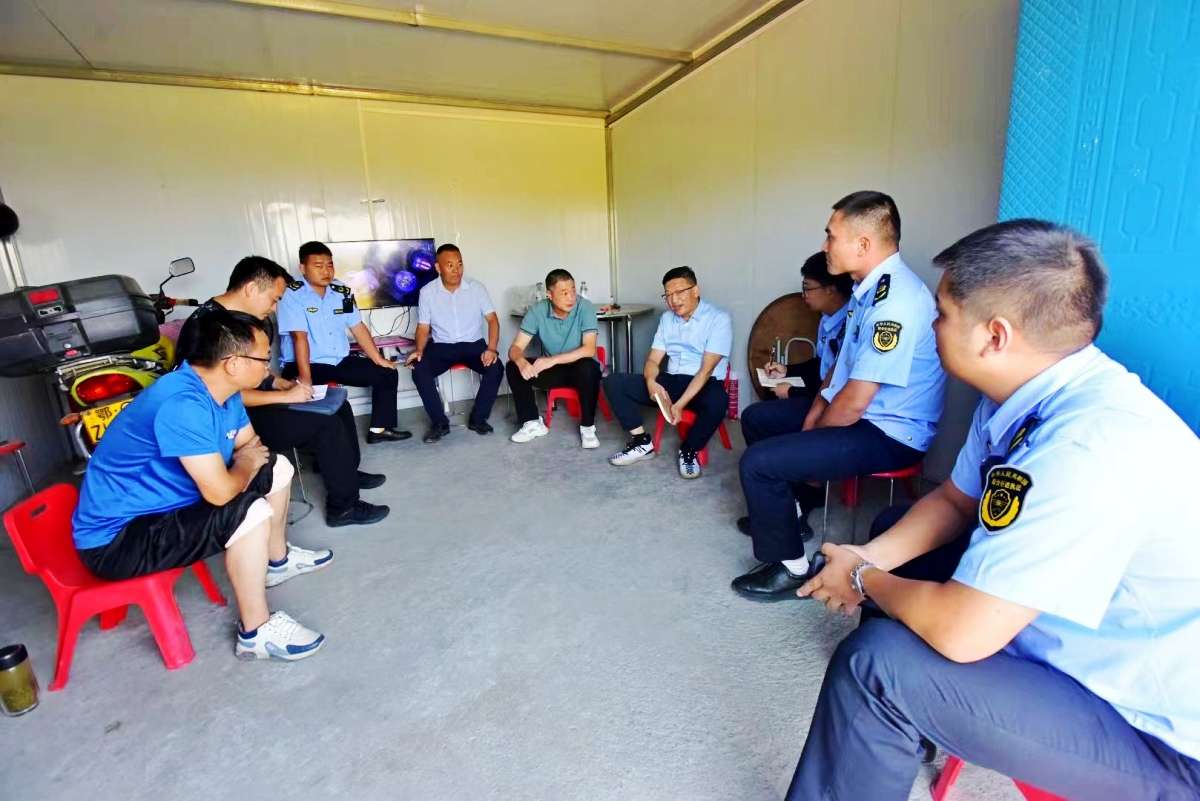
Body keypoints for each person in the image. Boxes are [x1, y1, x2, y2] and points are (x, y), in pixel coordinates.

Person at [786, 220, 1200, 801]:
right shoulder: (1030, 390)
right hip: (1071, 636)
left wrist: (860, 578)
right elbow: (956, 500)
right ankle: (899, 733)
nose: (932, 326)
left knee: (875, 667)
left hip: (1154, 734)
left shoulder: (1085, 447)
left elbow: (963, 633)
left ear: (995, 336)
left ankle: (896, 711)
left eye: (942, 314)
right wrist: (868, 555)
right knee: (895, 534)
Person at [73, 310, 331, 661]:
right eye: (263, 358)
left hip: (168, 506)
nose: (268, 367)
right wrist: (242, 466)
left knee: (278, 467)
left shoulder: (224, 391)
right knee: (249, 511)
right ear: (233, 363)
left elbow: (252, 446)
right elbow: (223, 490)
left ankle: (277, 561)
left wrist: (244, 464)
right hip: (118, 539)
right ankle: (255, 632)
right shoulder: (182, 404)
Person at [734, 191, 945, 600]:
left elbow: (856, 401)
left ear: (862, 244)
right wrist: (813, 415)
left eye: (831, 236)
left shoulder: (895, 302)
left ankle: (790, 567)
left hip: (890, 432)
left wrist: (811, 439)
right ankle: (792, 512)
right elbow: (838, 370)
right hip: (864, 415)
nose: (824, 245)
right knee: (758, 419)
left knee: (759, 463)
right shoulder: (866, 290)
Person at [175, 256, 389, 527]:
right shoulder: (209, 328)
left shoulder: (240, 318)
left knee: (338, 405)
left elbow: (251, 370)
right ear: (251, 289)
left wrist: (277, 383)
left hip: (249, 401)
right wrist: (284, 396)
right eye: (274, 299)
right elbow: (218, 395)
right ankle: (343, 508)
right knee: (327, 425)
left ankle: (346, 474)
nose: (275, 307)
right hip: (231, 419)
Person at [602, 266, 732, 479]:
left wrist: (679, 405)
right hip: (671, 381)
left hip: (704, 383)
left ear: (695, 290)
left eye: (679, 292)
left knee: (719, 401)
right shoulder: (666, 319)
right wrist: (651, 382)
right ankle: (641, 443)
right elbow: (653, 360)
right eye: (668, 295)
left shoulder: (718, 319)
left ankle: (689, 450)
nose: (673, 300)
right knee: (614, 381)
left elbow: (706, 370)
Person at [277, 241, 412, 445]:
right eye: (318, 265)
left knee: (387, 372)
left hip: (338, 361)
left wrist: (378, 359)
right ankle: (314, 445)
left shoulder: (342, 291)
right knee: (314, 404)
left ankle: (379, 429)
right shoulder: (291, 295)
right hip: (304, 364)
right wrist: (305, 379)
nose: (326, 271)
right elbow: (299, 338)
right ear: (302, 268)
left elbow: (357, 326)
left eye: (329, 265)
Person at [403, 243, 503, 442]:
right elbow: (423, 327)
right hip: (442, 347)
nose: (456, 270)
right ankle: (440, 423)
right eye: (450, 265)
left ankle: (478, 419)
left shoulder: (476, 288)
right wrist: (419, 350)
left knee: (496, 367)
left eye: (459, 264)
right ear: (438, 267)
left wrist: (492, 349)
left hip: (473, 345)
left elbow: (492, 320)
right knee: (419, 369)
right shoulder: (427, 292)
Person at [506, 268, 602, 448]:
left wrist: (551, 360)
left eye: (573, 290)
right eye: (564, 293)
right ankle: (532, 422)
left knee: (588, 367)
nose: (571, 297)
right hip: (555, 372)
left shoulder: (585, 307)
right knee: (513, 367)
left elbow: (589, 349)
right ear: (549, 295)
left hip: (580, 369)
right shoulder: (537, 311)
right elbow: (515, 348)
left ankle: (588, 428)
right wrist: (521, 361)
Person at [760, 251, 853, 400]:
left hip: (835, 399)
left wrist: (792, 392)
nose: (804, 295)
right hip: (821, 389)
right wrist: (786, 371)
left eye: (807, 288)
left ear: (830, 290)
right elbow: (821, 365)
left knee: (758, 412)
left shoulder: (851, 323)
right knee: (770, 391)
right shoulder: (826, 320)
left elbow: (840, 382)